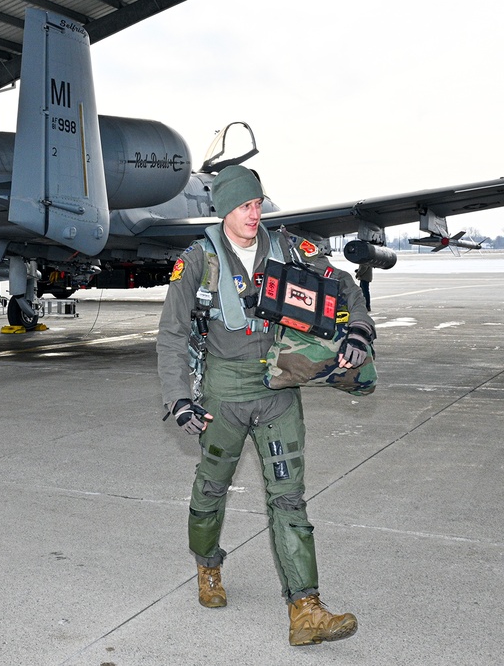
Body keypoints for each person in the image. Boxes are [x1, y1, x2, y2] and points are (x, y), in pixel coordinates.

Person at [156, 165, 375, 646]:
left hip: (278, 389)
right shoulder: (197, 259)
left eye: (257, 204)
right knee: (211, 491)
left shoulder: (289, 247)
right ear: (223, 210)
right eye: (243, 206)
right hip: (221, 396)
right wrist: (179, 400)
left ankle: (305, 609)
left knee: (289, 497)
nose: (254, 214)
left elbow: (342, 285)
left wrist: (359, 326)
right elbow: (171, 333)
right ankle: (208, 567)